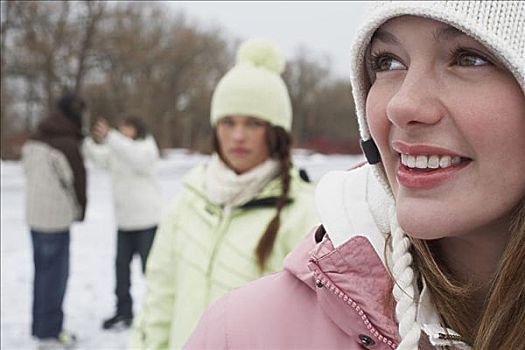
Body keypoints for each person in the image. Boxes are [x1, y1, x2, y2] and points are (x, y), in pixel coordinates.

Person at [185, 1, 525, 349]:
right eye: (388, 62)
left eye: (468, 57)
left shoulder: (299, 206)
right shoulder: (238, 334)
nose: (401, 105)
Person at [130, 38, 319, 349]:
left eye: (253, 123)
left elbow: (312, 330)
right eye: (228, 122)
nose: (238, 135)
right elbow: (159, 300)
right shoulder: (188, 202)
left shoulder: (304, 215)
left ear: (276, 133)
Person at [83, 115, 161, 330]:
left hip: (147, 223)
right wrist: (86, 140)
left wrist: (112, 137)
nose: (123, 131)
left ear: (137, 129)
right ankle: (123, 312)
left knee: (151, 271)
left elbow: (136, 158)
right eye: (122, 127)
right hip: (124, 223)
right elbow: (100, 158)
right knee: (121, 271)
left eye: (127, 127)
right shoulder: (118, 149)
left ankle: (157, 313)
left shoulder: (146, 147)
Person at [22, 93, 87, 349]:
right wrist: (80, 208)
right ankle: (49, 334)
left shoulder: (35, 139)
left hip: (34, 217)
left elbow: (28, 171)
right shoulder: (68, 144)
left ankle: (42, 328)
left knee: (41, 275)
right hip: (56, 220)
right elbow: (78, 181)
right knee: (55, 277)